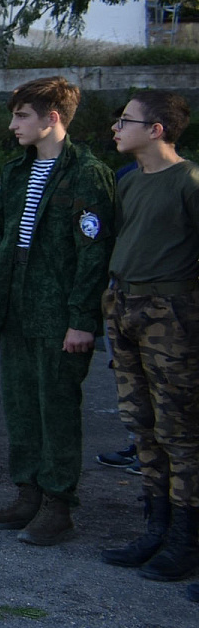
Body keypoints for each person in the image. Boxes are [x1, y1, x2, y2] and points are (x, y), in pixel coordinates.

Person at [0, 76, 115, 546]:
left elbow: (93, 253)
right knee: (20, 405)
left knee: (56, 407)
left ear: (51, 119)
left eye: (22, 116)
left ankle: (58, 505)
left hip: (58, 314)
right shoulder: (17, 170)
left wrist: (82, 319)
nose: (13, 124)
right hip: (18, 308)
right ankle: (27, 494)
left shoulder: (87, 173)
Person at [101, 92, 199, 580]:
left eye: (126, 121)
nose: (116, 129)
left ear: (157, 129)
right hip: (125, 307)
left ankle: (186, 538)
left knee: (179, 430)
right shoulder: (129, 181)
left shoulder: (189, 181)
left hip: (172, 313)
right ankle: (156, 527)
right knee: (140, 421)